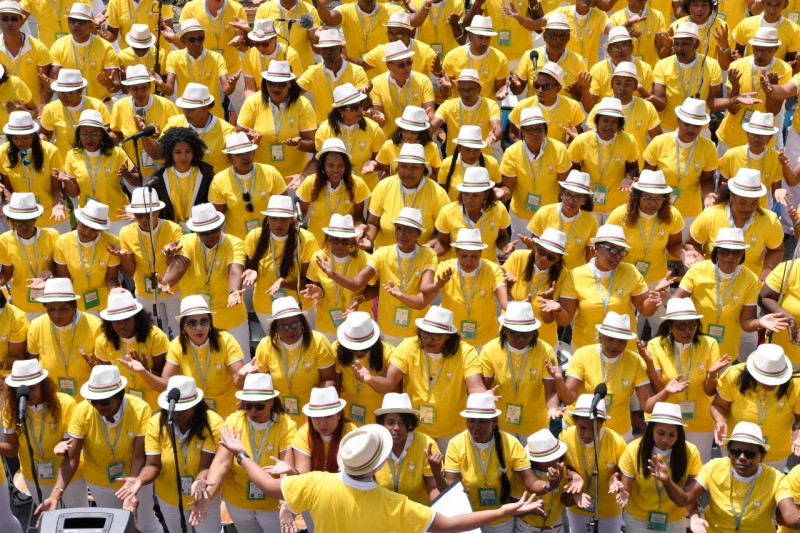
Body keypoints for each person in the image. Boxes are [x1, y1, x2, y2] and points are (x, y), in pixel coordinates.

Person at [203, 423, 545, 532]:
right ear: (377, 466)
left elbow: (266, 485)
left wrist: (242, 454)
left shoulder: (318, 482)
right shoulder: (392, 503)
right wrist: (503, 511)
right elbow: (450, 524)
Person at [36, 366, 160, 533]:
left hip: (135, 477)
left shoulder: (140, 408)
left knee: (145, 525)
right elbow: (72, 459)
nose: (99, 406)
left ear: (119, 395)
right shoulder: (82, 411)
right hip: (99, 481)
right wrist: (54, 496)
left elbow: (139, 455)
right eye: (94, 401)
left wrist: (131, 489)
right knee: (115, 528)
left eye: (105, 401)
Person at [354, 306, 485, 451]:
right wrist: (370, 379)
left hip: (452, 431)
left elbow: (476, 387)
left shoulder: (465, 352)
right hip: (416, 429)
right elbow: (388, 382)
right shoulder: (409, 346)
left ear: (448, 336)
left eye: (436, 336)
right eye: (425, 333)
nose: (429, 339)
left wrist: (484, 397)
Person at [114, 376, 223, 533]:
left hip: (203, 496)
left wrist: (200, 481)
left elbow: (206, 466)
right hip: (169, 498)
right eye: (174, 410)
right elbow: (153, 465)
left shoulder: (213, 422)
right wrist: (139, 480)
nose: (177, 415)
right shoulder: (156, 422)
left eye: (183, 410)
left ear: (195, 406)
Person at [193, 373, 296, 533]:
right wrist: (208, 495)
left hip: (272, 506)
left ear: (271, 401)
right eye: (248, 405)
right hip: (238, 503)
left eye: (259, 406)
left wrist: (285, 505)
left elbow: (285, 469)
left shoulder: (286, 425)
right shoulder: (234, 421)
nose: (253, 411)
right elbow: (221, 463)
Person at [651, 421, 794, 533]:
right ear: (729, 452)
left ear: (762, 457)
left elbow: (790, 515)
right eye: (736, 452)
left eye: (750, 454)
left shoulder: (776, 478)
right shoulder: (714, 467)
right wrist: (667, 481)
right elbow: (685, 499)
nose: (742, 457)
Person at [323, 207, 437, 344]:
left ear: (418, 233)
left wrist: (403, 295)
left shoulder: (428, 255)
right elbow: (356, 284)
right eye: (399, 228)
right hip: (386, 330)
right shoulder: (382, 253)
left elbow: (423, 296)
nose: (402, 234)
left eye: (408, 230)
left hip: (416, 331)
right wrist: (332, 274)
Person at [543, 224, 664, 350]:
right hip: (587, 349)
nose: (617, 256)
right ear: (596, 248)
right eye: (613, 250)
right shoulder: (575, 275)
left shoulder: (630, 272)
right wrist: (558, 309)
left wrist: (656, 295)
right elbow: (564, 320)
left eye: (622, 251)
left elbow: (645, 310)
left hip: (623, 348)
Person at [549, 312, 665, 441]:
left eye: (621, 341)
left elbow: (647, 406)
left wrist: (665, 390)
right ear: (600, 336)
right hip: (580, 429)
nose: (615, 344)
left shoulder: (635, 361)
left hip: (618, 433)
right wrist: (559, 380)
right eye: (610, 339)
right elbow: (569, 398)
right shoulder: (582, 354)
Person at [444, 393, 548, 533]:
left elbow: (531, 483)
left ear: (494, 421)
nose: (476, 427)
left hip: (501, 519)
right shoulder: (455, 444)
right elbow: (452, 488)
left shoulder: (511, 443)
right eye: (471, 421)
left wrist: (549, 485)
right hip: (469, 518)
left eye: (482, 421)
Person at [640, 298, 729, 462]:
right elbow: (659, 390)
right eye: (682, 326)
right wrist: (650, 366)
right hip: (665, 417)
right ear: (670, 326)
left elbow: (709, 391)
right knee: (664, 466)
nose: (688, 331)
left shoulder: (709, 343)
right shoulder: (655, 345)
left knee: (699, 466)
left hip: (700, 418)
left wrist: (712, 375)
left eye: (692, 325)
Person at [675, 228, 786, 360]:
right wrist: (666, 300)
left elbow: (746, 323)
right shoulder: (698, 270)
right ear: (716, 252)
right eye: (724, 252)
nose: (730, 257)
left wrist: (760, 322)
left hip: (726, 350)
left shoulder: (750, 279)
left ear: (743, 254)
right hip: (694, 343)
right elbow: (676, 305)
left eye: (736, 253)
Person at [158, 203, 249, 352]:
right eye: (205, 233)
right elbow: (180, 263)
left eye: (215, 230)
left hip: (230, 318)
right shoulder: (187, 241)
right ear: (197, 232)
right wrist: (168, 281)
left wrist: (234, 291)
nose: (211, 235)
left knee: (241, 363)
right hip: (196, 323)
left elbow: (235, 270)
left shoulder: (235, 243)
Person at [606, 170, 686, 335]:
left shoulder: (672, 215)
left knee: (663, 326)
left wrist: (684, 254)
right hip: (624, 276)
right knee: (623, 326)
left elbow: (674, 244)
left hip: (657, 278)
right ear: (637, 196)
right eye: (647, 198)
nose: (652, 203)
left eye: (658, 199)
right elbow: (606, 247)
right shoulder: (620, 215)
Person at [0, 360, 86, 511]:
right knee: (49, 518)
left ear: (43, 385)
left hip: (68, 476)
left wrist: (63, 446)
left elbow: (71, 451)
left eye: (32, 388)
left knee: (79, 519)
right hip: (34, 477)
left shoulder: (65, 403)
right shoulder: (10, 408)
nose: (28, 394)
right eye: (21, 389)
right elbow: (12, 448)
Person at [711, 344, 800, 472]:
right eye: (765, 379)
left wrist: (799, 429)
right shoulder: (734, 375)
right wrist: (720, 420)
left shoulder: (796, 384)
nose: (770, 384)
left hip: (775, 453)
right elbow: (718, 405)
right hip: (737, 451)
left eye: (775, 380)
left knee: (771, 485)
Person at [618, 402, 703, 533]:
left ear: (679, 433)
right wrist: (623, 493)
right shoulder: (634, 449)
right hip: (638, 519)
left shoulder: (691, 452)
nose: (665, 440)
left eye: (672, 435)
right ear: (651, 429)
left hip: (674, 520)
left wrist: (694, 515)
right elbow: (626, 487)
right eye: (661, 433)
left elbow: (690, 494)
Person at [249, 296, 335, 424]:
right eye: (284, 326)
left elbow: (329, 379)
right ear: (275, 329)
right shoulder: (265, 345)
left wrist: (316, 407)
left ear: (302, 323)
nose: (290, 330)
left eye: (295, 324)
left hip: (313, 415)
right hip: (279, 417)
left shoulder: (319, 342)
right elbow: (262, 384)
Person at [481, 301, 560, 440]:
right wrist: (485, 397)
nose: (521, 339)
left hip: (535, 423)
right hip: (501, 422)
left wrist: (553, 408)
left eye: (527, 334)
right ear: (505, 330)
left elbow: (551, 391)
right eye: (515, 334)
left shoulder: (545, 351)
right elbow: (484, 387)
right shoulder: (490, 350)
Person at [689, 168, 785, 281]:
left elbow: (776, 249)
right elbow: (691, 243)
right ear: (732, 196)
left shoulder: (770, 220)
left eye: (754, 203)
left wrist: (767, 270)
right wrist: (703, 268)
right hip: (712, 282)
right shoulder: (710, 215)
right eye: (742, 202)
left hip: (749, 285)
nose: (748, 208)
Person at [284, 386, 357, 532]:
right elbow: (303, 475)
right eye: (316, 417)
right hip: (314, 499)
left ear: (339, 415)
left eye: (328, 416)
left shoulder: (352, 433)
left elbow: (350, 477)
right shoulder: (304, 433)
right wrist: (291, 472)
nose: (322, 423)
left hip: (345, 498)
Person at [643, 98, 719, 238]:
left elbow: (707, 179)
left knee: (683, 248)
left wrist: (708, 195)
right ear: (678, 121)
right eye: (687, 124)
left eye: (696, 126)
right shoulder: (659, 142)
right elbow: (647, 174)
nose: (691, 129)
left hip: (689, 212)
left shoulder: (709, 147)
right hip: (658, 208)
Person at [160, 295, 246, 418]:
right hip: (195, 413)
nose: (199, 328)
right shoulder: (177, 344)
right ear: (183, 325)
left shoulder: (226, 340)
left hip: (228, 412)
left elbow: (238, 379)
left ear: (210, 323)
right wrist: (144, 372)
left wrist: (242, 376)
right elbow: (167, 380)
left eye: (204, 321)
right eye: (192, 323)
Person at [242, 195, 319, 332]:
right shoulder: (254, 237)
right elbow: (250, 267)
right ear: (267, 218)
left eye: (283, 218)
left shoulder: (306, 239)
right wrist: (252, 270)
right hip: (266, 305)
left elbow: (307, 282)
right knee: (275, 342)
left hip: (300, 305)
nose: (278, 223)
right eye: (274, 218)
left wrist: (285, 284)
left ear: (291, 219)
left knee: (305, 341)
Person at [498, 107, 571, 245]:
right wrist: (499, 193)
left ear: (545, 130)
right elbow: (508, 188)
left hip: (550, 215)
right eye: (530, 130)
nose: (535, 134)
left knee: (548, 253)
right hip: (521, 215)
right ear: (522, 132)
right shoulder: (512, 152)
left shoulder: (559, 149)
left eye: (539, 129)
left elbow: (565, 187)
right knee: (521, 254)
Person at [236, 60, 316, 186]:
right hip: (261, 178)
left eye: (281, 84)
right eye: (271, 83)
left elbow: (312, 145)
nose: (275, 88)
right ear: (265, 83)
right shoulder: (252, 101)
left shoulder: (303, 104)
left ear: (289, 84)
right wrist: (249, 136)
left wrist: (298, 144)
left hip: (293, 180)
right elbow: (239, 132)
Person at [117, 187, 184, 337]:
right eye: (139, 215)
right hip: (145, 292)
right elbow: (130, 271)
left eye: (148, 214)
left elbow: (175, 265)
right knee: (155, 335)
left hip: (172, 289)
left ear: (157, 212)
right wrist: (123, 257)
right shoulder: (125, 233)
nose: (143, 219)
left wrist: (168, 254)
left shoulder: (173, 228)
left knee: (180, 334)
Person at [60, 110, 138, 236]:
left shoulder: (116, 152)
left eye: (95, 134)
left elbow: (138, 180)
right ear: (79, 135)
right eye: (84, 134)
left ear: (102, 134)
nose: (89, 138)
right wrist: (67, 182)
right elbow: (74, 193)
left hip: (117, 216)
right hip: (88, 217)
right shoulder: (72, 155)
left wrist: (127, 175)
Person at [559, 394, 627, 533]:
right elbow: (560, 464)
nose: (588, 435)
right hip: (577, 504)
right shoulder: (565, 437)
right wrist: (573, 474)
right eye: (582, 428)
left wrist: (615, 476)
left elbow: (626, 468)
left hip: (608, 508)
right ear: (574, 422)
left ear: (602, 424)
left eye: (594, 428)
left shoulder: (615, 441)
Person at [717, 28, 793, 153]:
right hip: (731, 138)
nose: (760, 54)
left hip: (762, 140)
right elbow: (732, 110)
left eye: (766, 50)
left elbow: (773, 111)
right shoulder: (737, 65)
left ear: (776, 49)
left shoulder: (784, 70)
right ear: (752, 47)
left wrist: (771, 91)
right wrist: (735, 87)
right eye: (757, 49)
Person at [431, 228, 508, 349]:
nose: (468, 261)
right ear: (456, 252)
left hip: (485, 339)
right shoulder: (445, 267)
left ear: (481, 253)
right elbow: (427, 296)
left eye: (474, 256)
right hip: (451, 337)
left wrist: (517, 306)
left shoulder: (493, 269)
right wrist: (437, 286)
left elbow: (505, 301)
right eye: (464, 256)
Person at [568, 97, 640, 224]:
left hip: (617, 206)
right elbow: (573, 169)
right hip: (588, 205)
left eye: (614, 122)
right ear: (597, 121)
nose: (609, 126)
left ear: (619, 124)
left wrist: (628, 177)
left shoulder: (629, 141)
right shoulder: (581, 141)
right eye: (605, 120)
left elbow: (633, 167)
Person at [94, 289, 168, 411]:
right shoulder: (102, 342)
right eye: (116, 321)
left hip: (155, 406)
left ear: (136, 318)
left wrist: (146, 371)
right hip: (124, 407)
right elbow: (108, 382)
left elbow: (164, 379)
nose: (122, 325)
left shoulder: (155, 336)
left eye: (127, 319)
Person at [365, 143, 449, 249]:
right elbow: (373, 223)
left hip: (420, 256)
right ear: (397, 167)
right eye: (403, 166)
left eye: (415, 167)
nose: (408, 171)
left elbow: (443, 234)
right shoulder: (383, 186)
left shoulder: (438, 193)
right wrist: (367, 239)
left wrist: (426, 248)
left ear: (423, 168)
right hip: (384, 256)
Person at [26, 278, 101, 397]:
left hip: (87, 398)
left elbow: (104, 368)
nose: (57, 315)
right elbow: (32, 365)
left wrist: (97, 367)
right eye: (51, 309)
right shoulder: (36, 326)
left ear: (74, 306)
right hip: (52, 398)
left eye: (63, 309)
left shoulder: (95, 326)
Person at [303, 215, 373, 342]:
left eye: (345, 241)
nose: (339, 245)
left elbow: (374, 288)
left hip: (358, 324)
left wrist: (360, 299)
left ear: (352, 240)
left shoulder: (366, 259)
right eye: (335, 240)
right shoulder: (318, 258)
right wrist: (319, 291)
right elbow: (317, 286)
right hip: (326, 324)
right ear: (328, 239)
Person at [142, 83, 236, 176]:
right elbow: (157, 154)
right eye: (184, 108)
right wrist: (143, 133)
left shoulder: (228, 132)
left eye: (191, 109)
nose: (186, 112)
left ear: (205, 108)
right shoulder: (174, 123)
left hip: (214, 185)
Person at [208, 131, 287, 241]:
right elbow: (218, 218)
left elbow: (285, 209)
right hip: (237, 242)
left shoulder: (271, 173)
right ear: (229, 158)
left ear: (254, 153)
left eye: (248, 152)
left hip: (269, 240)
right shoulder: (219, 180)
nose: (245, 157)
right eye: (238, 155)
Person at [650, 21, 724, 133]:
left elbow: (712, 102)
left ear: (696, 45)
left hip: (698, 127)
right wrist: (645, 94)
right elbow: (660, 102)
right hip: (667, 127)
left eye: (685, 44)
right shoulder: (662, 65)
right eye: (676, 44)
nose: (679, 49)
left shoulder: (711, 65)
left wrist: (734, 99)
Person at [109, 64, 179, 181]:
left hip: (164, 169)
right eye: (135, 88)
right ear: (128, 89)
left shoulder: (167, 106)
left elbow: (177, 137)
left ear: (150, 86)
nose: (140, 92)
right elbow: (117, 133)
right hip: (134, 170)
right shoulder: (119, 106)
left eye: (144, 87)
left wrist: (160, 136)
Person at [0, 113, 66, 232]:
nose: (20, 142)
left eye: (25, 138)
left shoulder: (50, 150)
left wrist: (58, 205)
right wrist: (7, 202)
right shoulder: (3, 152)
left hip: (52, 215)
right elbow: (7, 186)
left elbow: (56, 186)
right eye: (15, 138)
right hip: (21, 219)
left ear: (33, 135)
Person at [53, 199, 121, 314]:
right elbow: (64, 277)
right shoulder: (62, 241)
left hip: (106, 302)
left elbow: (111, 278)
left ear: (100, 229)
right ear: (78, 221)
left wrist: (115, 290)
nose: (87, 232)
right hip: (76, 302)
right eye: (84, 226)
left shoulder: (112, 242)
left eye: (94, 229)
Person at [296, 138, 370, 243]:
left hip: (343, 243)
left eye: (340, 165)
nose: (336, 170)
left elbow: (359, 216)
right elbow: (302, 212)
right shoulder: (310, 182)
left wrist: (359, 226)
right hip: (316, 241)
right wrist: (293, 219)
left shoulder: (357, 184)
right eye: (330, 165)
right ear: (323, 165)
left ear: (346, 165)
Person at [374, 392, 443, 503]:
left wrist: (436, 472)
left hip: (418, 511)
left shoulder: (426, 444)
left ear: (410, 423)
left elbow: (433, 488)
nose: (396, 428)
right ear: (382, 423)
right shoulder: (373, 445)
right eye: (391, 422)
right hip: (384, 510)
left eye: (402, 422)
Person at [314, 83, 384, 191]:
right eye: (354, 107)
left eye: (361, 104)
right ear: (340, 110)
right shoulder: (324, 130)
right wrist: (303, 175)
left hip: (367, 188)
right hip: (336, 190)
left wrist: (374, 163)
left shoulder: (373, 128)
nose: (360, 109)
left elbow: (383, 161)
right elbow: (318, 161)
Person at [159, 19, 238, 115]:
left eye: (200, 38)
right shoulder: (174, 57)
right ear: (182, 40)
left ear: (204, 37)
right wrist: (161, 84)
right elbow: (170, 90)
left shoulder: (217, 58)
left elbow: (226, 89)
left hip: (213, 114)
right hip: (186, 115)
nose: (197, 43)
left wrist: (232, 85)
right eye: (192, 40)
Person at [0, 193, 59, 322]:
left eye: (29, 220)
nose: (24, 226)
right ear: (10, 220)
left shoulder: (52, 236)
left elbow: (61, 267)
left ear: (36, 218)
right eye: (18, 221)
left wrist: (51, 273)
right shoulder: (4, 240)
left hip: (52, 300)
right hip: (22, 302)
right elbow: (7, 273)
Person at [718, 111, 795, 210]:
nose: (757, 139)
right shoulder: (731, 155)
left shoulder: (776, 157)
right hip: (735, 210)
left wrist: (779, 191)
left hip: (761, 210)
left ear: (769, 138)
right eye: (753, 134)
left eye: (762, 135)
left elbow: (775, 190)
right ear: (747, 134)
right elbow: (722, 188)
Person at [503, 229, 567, 347]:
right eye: (541, 251)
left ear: (558, 259)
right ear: (535, 247)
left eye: (551, 257)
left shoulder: (563, 275)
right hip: (511, 335)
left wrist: (548, 302)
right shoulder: (517, 257)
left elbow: (548, 320)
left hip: (542, 342)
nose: (544, 258)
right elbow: (501, 292)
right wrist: (514, 301)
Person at [433, 166, 511, 262]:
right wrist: (431, 254)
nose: (469, 199)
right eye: (466, 193)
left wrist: (505, 246)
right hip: (456, 267)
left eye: (475, 195)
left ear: (486, 194)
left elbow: (502, 236)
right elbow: (443, 242)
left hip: (488, 266)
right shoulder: (447, 211)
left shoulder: (499, 209)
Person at [145, 126, 215, 231]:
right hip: (170, 231)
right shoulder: (159, 175)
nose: (183, 157)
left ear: (194, 151)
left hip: (199, 230)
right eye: (178, 152)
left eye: (188, 151)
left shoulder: (206, 172)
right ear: (170, 153)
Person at [527, 170, 598, 271]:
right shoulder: (544, 212)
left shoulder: (591, 220)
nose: (571, 201)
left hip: (574, 273)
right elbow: (535, 248)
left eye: (577, 198)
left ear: (584, 200)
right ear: (562, 194)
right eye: (568, 195)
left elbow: (589, 253)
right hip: (546, 271)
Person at [48, 4, 120, 102]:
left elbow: (116, 85)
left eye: (81, 22)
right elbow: (54, 78)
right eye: (72, 21)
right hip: (71, 104)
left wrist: (110, 85)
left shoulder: (106, 48)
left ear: (91, 25)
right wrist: (49, 84)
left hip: (100, 103)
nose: (76, 25)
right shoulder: (58, 46)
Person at [296, 29, 368, 123]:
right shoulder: (313, 72)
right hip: (325, 129)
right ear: (320, 51)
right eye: (324, 49)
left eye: (332, 48)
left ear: (340, 49)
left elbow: (362, 103)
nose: (328, 52)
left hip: (353, 126)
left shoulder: (357, 71)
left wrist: (366, 93)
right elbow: (294, 92)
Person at [38, 68, 111, 162]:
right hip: (64, 164)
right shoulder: (50, 109)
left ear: (80, 91)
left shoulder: (98, 106)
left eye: (68, 93)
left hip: (94, 163)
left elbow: (108, 134)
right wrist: (42, 140)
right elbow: (45, 134)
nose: (62, 96)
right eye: (59, 92)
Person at [369, 41, 437, 137]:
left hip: (417, 140)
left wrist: (426, 118)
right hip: (390, 142)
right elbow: (380, 119)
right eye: (401, 65)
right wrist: (379, 119)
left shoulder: (423, 81)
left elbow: (430, 112)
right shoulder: (376, 83)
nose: (406, 67)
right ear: (388, 66)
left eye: (409, 62)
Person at [431, 70, 502, 160]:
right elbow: (432, 127)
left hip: (481, 160)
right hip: (454, 161)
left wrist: (494, 135)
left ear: (479, 90)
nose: (466, 93)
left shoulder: (490, 105)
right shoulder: (448, 105)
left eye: (470, 89)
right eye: (462, 90)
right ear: (458, 90)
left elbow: (497, 129)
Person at [442, 15, 509, 102]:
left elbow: (499, 92)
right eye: (480, 37)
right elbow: (447, 94)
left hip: (486, 107)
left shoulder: (500, 58)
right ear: (470, 37)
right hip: (458, 107)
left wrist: (501, 94)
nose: (484, 42)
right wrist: (446, 89)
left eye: (487, 38)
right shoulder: (452, 57)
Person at [436, 125, 502, 203]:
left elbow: (495, 189)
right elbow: (442, 191)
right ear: (459, 148)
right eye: (467, 150)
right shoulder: (446, 164)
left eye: (476, 150)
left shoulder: (492, 163)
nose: (472, 154)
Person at [375, 105, 442, 180]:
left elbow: (436, 172)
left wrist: (427, 185)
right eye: (405, 129)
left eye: (414, 131)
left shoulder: (432, 147)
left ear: (421, 131)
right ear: (400, 128)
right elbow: (384, 170)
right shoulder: (388, 145)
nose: (409, 134)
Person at [241, 19, 303, 98]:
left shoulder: (290, 55)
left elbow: (296, 89)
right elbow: (249, 89)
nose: (260, 48)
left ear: (275, 38)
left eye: (265, 44)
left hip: (285, 99)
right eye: (257, 44)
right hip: (259, 99)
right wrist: (252, 103)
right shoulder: (249, 55)